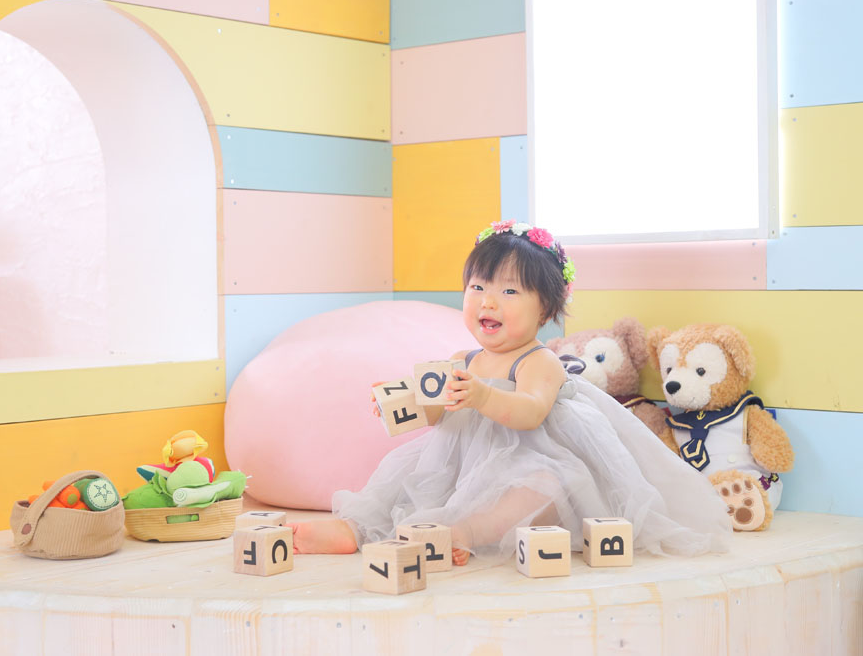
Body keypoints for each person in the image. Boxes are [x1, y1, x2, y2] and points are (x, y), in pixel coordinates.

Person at [290, 220, 732, 565]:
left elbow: (531, 411)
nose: (488, 301)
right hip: (462, 465)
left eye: (508, 291)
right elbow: (438, 410)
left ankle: (464, 532)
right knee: (402, 479)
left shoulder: (540, 361)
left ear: (545, 309)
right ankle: (355, 527)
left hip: (533, 458)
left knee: (544, 489)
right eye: (478, 287)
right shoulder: (462, 359)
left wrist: (483, 397)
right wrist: (406, 402)